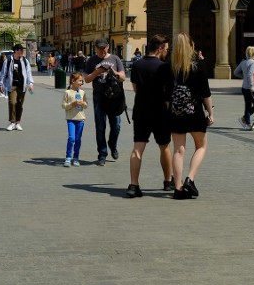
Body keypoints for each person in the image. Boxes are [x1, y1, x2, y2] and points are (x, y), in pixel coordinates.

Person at [168, 33, 214, 200]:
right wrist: (211, 112)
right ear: (190, 46)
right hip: (194, 112)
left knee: (178, 151)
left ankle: (178, 188)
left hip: (176, 113)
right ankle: (190, 178)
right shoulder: (198, 66)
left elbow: (166, 93)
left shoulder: (170, 66)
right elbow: (206, 93)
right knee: (201, 146)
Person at [127, 34, 174, 198]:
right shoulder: (164, 67)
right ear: (160, 48)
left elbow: (135, 88)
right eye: (166, 49)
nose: (167, 52)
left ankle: (134, 185)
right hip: (160, 112)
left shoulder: (137, 65)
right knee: (164, 146)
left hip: (140, 111)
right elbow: (169, 96)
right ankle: (168, 181)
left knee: (138, 148)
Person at [83, 37, 126, 166]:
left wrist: (114, 72)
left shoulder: (115, 59)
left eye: (104, 48)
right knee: (100, 127)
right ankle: (102, 153)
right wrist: (98, 71)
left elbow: (123, 77)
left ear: (108, 47)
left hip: (114, 98)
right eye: (99, 48)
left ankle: (112, 144)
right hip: (99, 98)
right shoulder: (92, 61)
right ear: (95, 48)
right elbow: (87, 79)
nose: (102, 50)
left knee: (116, 126)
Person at [0, 43, 34, 131]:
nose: (22, 52)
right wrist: (1, 84)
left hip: (22, 86)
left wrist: (30, 83)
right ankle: (12, 122)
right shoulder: (8, 60)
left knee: (20, 104)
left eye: (22, 50)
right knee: (12, 102)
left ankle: (18, 122)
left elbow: (28, 73)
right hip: (12, 85)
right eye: (20, 50)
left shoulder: (25, 61)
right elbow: (3, 73)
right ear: (16, 51)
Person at [61, 72, 88, 167]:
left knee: (78, 139)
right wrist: (72, 104)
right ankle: (68, 157)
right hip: (71, 119)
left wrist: (82, 104)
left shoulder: (82, 92)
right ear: (73, 81)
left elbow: (86, 105)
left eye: (82, 81)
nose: (82, 82)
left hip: (81, 119)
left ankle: (76, 157)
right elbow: (63, 106)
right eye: (80, 80)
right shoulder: (67, 92)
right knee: (71, 138)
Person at [234, 46, 254, 130]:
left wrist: (243, 77)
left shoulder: (243, 62)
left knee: (248, 105)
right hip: (252, 87)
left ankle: (246, 121)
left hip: (244, 87)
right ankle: (246, 121)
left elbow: (235, 72)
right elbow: (250, 74)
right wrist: (251, 86)